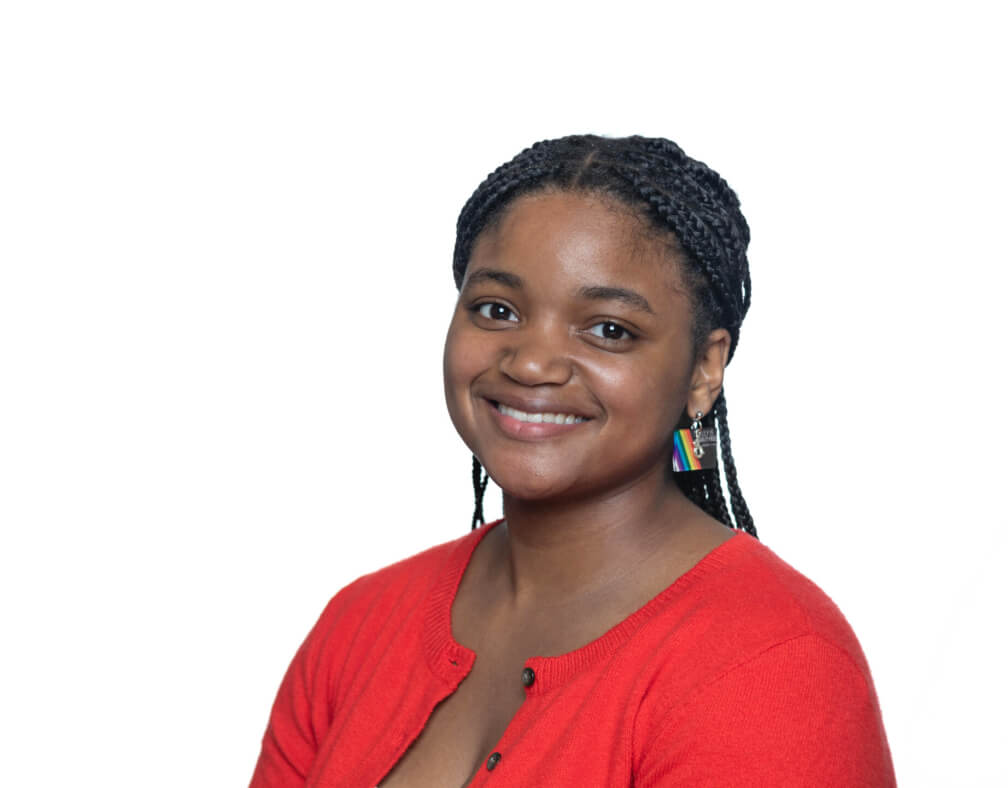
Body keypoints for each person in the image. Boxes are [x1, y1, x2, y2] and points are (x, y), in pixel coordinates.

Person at [249, 135, 895, 786]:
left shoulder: (773, 663)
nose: (530, 362)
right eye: (497, 310)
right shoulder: (361, 622)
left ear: (704, 368)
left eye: (608, 329)